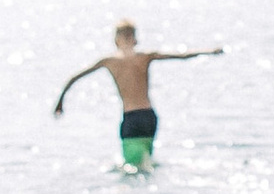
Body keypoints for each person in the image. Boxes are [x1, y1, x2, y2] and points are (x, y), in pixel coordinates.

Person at [54, 21, 224, 166]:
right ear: (134, 39)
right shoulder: (145, 57)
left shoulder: (109, 61)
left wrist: (60, 103)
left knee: (132, 168)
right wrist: (210, 51)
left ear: (116, 39)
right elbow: (183, 56)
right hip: (149, 117)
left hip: (131, 118)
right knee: (147, 162)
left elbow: (73, 79)